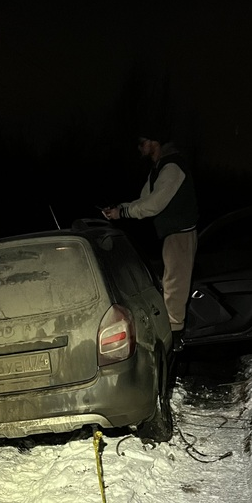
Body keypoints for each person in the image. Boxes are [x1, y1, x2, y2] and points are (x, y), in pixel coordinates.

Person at [103, 132, 199, 348]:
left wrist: (124, 213)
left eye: (142, 142)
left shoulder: (172, 167)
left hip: (181, 233)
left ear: (155, 141)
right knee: (169, 284)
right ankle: (173, 338)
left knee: (175, 287)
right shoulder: (158, 168)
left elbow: (154, 205)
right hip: (171, 234)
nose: (140, 148)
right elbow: (144, 201)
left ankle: (174, 344)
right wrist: (119, 209)